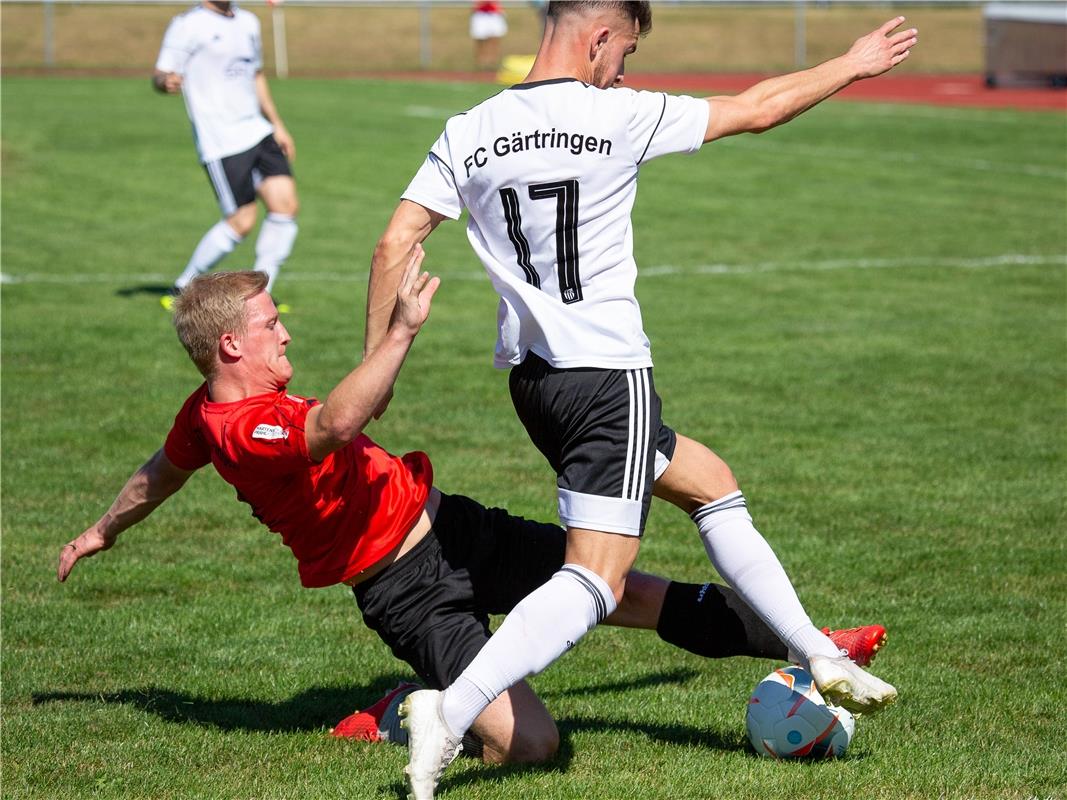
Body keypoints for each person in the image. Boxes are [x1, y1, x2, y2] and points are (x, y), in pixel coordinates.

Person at [363, 2, 916, 795]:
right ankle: (452, 710)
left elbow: (394, 242)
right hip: (605, 375)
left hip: (537, 382)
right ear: (596, 37)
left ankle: (814, 652)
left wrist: (376, 366)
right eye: (621, 50)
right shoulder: (617, 115)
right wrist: (851, 64)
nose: (623, 68)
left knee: (708, 483)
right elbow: (756, 109)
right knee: (595, 580)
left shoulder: (471, 127)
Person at [54, 262, 886, 766]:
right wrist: (403, 330)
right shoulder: (245, 424)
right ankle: (398, 708)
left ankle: (810, 643)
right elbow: (340, 422)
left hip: (454, 527)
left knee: (629, 589)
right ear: (229, 346)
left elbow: (159, 472)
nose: (284, 333)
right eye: (271, 325)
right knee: (531, 748)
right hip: (404, 591)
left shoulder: (207, 414)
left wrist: (101, 529)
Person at [153, 0, 299, 309]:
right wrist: (166, 82)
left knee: (285, 205)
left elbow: (256, 75)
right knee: (242, 220)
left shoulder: (248, 21)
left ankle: (262, 293)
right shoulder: (187, 24)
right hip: (221, 139)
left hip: (259, 131)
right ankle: (183, 285)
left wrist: (277, 125)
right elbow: (161, 74)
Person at [470, 2, 508, 71]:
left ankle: (492, 64)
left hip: (494, 13)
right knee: (480, 42)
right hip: (480, 14)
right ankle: (480, 65)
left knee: (494, 41)